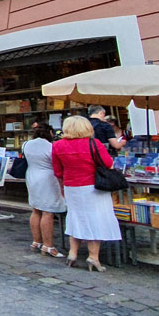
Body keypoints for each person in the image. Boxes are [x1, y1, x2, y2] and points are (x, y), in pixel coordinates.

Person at [53, 115, 121, 272]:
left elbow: (58, 171)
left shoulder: (57, 146)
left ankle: (73, 253)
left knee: (75, 217)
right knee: (95, 219)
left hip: (71, 186)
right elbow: (108, 163)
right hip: (92, 186)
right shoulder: (93, 143)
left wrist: (62, 187)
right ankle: (93, 256)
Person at [23, 123, 66, 258]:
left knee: (36, 209)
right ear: (50, 133)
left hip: (31, 176)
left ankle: (36, 241)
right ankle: (48, 245)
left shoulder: (26, 144)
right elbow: (57, 164)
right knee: (47, 212)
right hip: (47, 178)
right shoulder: (51, 147)